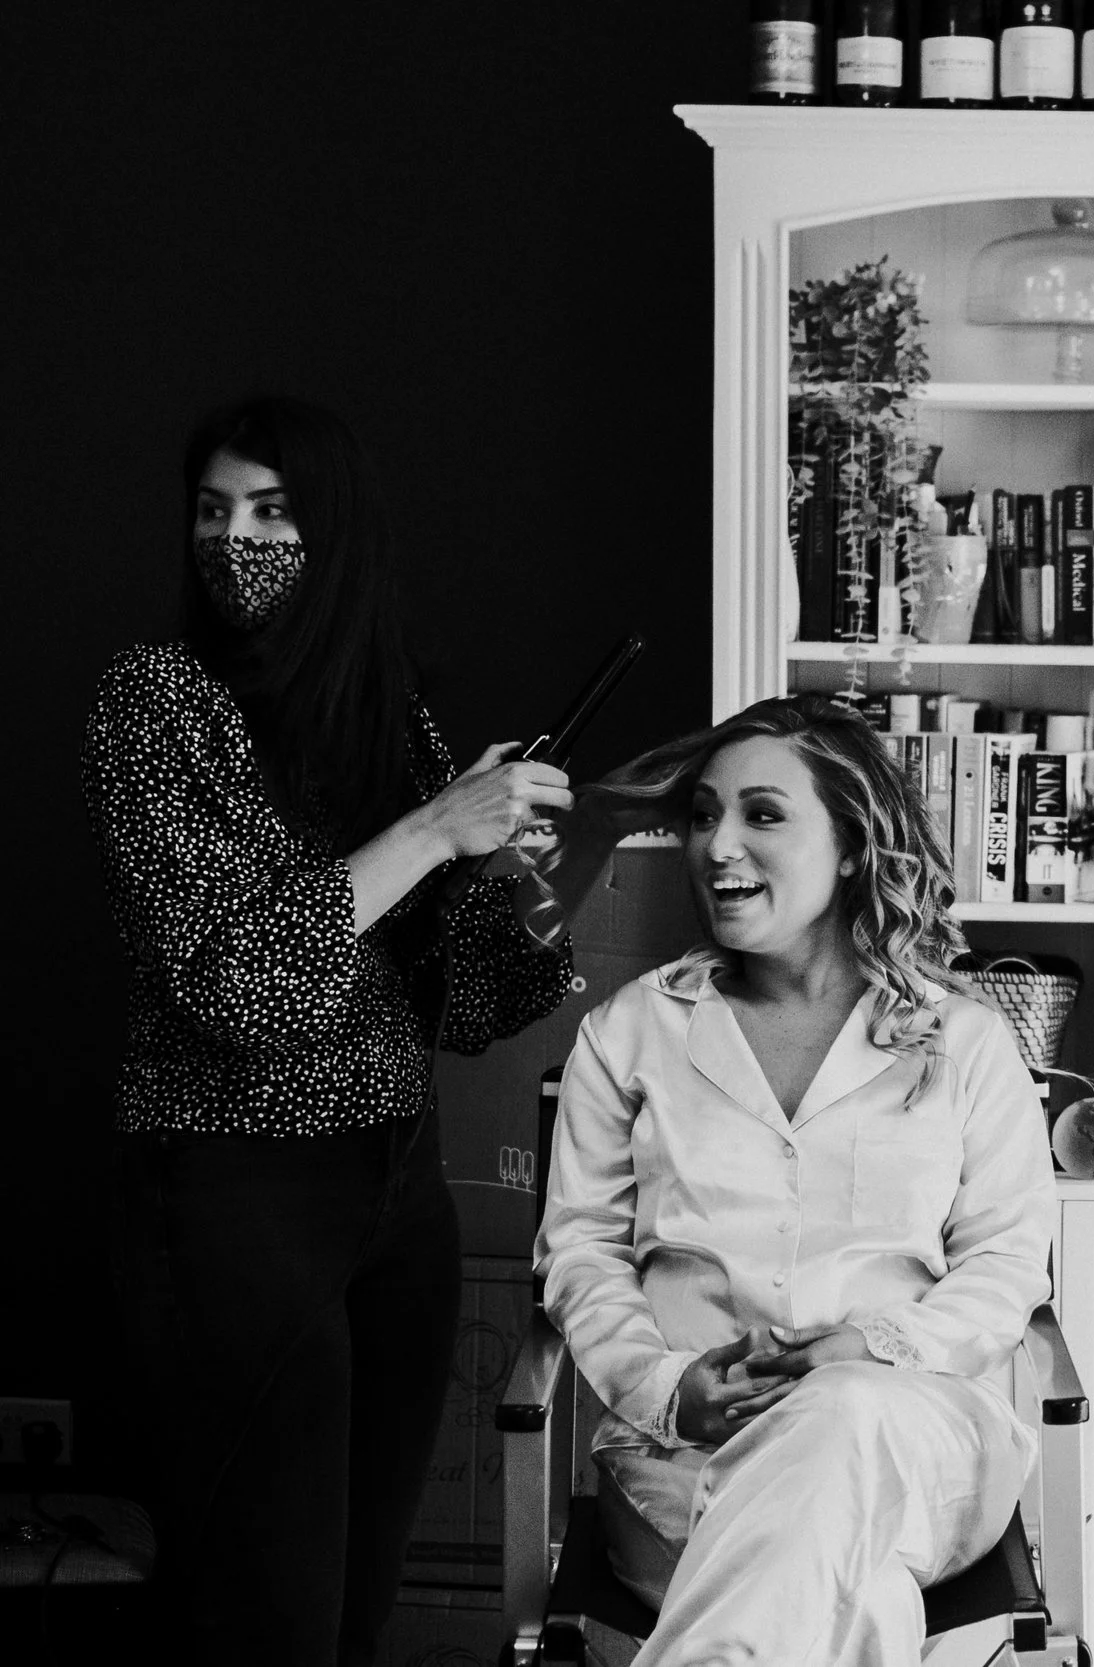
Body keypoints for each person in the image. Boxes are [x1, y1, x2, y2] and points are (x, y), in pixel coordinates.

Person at [83, 397, 579, 1665]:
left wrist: (508, 874)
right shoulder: (156, 704)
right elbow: (245, 990)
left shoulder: (384, 715)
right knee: (270, 1612)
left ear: (337, 530)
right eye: (212, 509)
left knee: (362, 1607)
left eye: (271, 510)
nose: (234, 537)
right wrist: (426, 834)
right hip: (235, 1191)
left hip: (397, 1182)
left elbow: (466, 1004)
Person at [537, 694, 1054, 1667]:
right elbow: (579, 1252)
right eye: (700, 814)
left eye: (762, 813)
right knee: (857, 1596)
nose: (715, 842)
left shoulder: (964, 1040)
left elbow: (1008, 1258)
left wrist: (878, 1343)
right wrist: (664, 1386)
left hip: (916, 1432)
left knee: (846, 1407)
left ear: (854, 843)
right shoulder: (629, 1033)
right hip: (686, 1451)